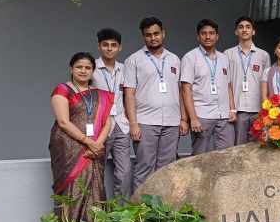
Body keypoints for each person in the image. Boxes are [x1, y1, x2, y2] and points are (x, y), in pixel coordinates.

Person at [123, 17, 186, 192]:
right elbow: (129, 94)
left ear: (163, 33)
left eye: (156, 33)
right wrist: (133, 123)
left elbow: (180, 91)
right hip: (145, 122)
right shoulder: (133, 60)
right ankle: (140, 207)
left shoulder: (174, 59)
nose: (153, 38)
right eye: (148, 35)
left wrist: (183, 119)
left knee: (167, 169)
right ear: (143, 37)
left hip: (172, 122)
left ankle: (163, 206)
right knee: (144, 167)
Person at [49, 52, 113, 222]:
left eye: (88, 68)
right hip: (69, 146)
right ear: (71, 69)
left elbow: (108, 122)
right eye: (79, 67)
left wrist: (98, 144)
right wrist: (89, 142)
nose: (83, 71)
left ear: (93, 71)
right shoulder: (63, 90)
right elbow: (63, 122)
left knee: (95, 185)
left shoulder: (100, 94)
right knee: (73, 185)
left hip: (96, 146)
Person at [180, 19, 236, 155]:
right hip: (202, 116)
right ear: (198, 37)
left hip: (224, 116)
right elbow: (186, 90)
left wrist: (232, 109)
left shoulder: (224, 58)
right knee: (201, 158)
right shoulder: (190, 57)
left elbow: (228, 86)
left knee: (227, 156)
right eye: (204, 33)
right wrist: (193, 118)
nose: (208, 36)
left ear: (217, 36)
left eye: (211, 33)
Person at [91, 28, 132, 199]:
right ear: (99, 46)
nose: (109, 48)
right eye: (105, 45)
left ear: (119, 47)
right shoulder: (91, 68)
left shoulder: (125, 69)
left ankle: (120, 210)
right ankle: (97, 210)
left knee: (124, 173)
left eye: (113, 45)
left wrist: (131, 120)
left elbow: (130, 96)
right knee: (95, 171)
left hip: (121, 125)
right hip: (100, 127)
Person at [225, 16, 271, 144]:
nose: (244, 30)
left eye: (248, 27)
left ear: (253, 31)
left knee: (259, 147)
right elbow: (226, 83)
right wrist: (231, 109)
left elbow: (267, 84)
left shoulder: (263, 55)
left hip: (258, 109)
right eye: (241, 27)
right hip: (238, 110)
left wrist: (266, 109)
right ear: (236, 32)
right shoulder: (228, 54)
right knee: (238, 147)